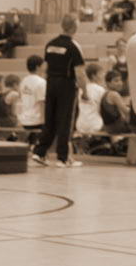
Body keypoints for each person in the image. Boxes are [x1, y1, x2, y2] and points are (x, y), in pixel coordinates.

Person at [32, 15, 88, 168]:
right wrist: (85, 91)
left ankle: (40, 152)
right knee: (65, 121)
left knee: (49, 119)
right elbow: (80, 73)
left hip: (51, 83)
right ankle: (62, 158)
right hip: (66, 85)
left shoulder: (50, 44)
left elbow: (46, 67)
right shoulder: (73, 46)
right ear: (74, 27)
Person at [19, 55, 47, 145]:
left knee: (30, 146)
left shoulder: (23, 81)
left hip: (25, 119)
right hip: (37, 120)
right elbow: (43, 102)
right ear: (38, 67)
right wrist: (45, 121)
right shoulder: (41, 82)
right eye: (43, 65)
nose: (45, 67)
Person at [76, 63, 107, 135]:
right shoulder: (100, 90)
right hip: (96, 124)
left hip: (80, 125)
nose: (103, 75)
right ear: (93, 76)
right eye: (101, 73)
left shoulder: (81, 90)